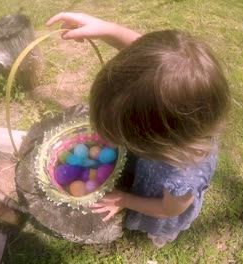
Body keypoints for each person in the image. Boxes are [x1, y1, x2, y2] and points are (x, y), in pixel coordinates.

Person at [47, 13, 230, 248]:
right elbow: (148, 58)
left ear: (154, 142)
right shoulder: (182, 95)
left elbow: (167, 209)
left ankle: (158, 237)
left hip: (162, 204)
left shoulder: (181, 179)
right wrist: (107, 29)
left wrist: (125, 199)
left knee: (161, 226)